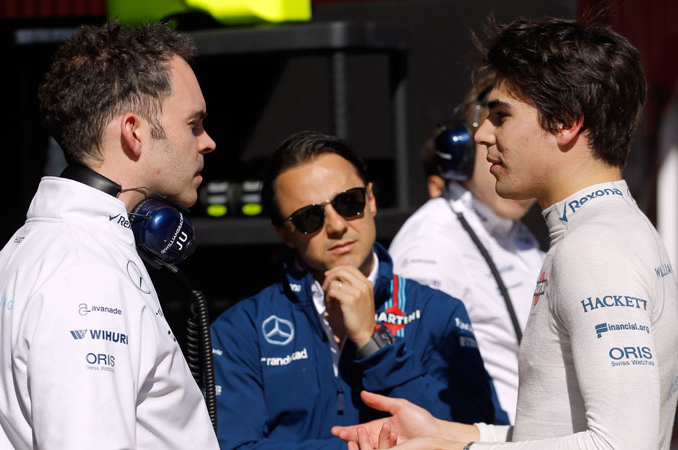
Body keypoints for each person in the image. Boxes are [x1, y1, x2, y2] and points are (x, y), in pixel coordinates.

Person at [333, 15, 678, 450]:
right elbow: (556, 433)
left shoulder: (593, 248)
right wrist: (447, 431)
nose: (480, 134)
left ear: (566, 122)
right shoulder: (614, 230)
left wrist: (459, 449)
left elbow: (623, 444)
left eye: (500, 115)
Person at [0, 21, 219, 449]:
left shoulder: (27, 253)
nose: (208, 142)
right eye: (194, 124)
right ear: (134, 132)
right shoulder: (87, 275)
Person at [210, 130, 508, 450]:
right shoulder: (242, 330)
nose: (337, 225)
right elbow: (233, 446)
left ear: (371, 199)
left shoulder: (438, 312)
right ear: (285, 234)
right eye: (310, 217)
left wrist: (373, 341)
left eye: (348, 202)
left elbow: (477, 435)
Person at [388, 76, 545, 422]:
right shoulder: (432, 242)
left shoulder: (518, 234)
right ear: (463, 148)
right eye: (500, 125)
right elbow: (416, 380)